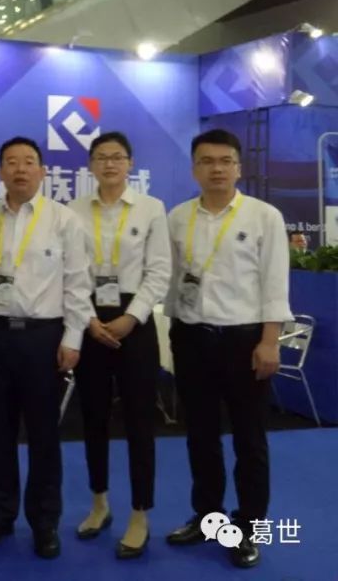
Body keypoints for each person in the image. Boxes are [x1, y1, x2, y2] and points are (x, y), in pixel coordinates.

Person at [164, 129, 292, 570]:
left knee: (249, 440)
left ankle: (250, 528)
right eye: (207, 161)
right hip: (192, 338)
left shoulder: (264, 217)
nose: (216, 169)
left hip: (245, 341)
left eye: (225, 161)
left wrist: (269, 341)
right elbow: (172, 279)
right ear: (194, 169)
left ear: (239, 167)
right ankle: (208, 517)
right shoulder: (178, 217)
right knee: (200, 436)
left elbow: (275, 284)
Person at [0, 137, 91, 560]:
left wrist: (73, 338)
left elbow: (78, 283)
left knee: (44, 435)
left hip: (44, 338)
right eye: (11, 162)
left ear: (42, 172)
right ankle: (0, 514)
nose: (20, 169)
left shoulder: (64, 220)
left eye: (28, 162)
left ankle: (44, 522)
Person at [67, 132, 172, 559]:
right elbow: (70, 273)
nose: (109, 164)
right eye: (101, 157)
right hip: (90, 320)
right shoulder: (72, 211)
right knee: (92, 417)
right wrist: (88, 320)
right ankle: (99, 503)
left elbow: (160, 270)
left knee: (139, 421)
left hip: (135, 321)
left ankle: (140, 513)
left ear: (130, 163)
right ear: (90, 165)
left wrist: (132, 317)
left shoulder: (151, 208)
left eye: (117, 157)